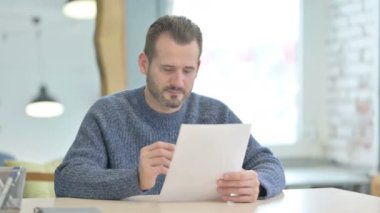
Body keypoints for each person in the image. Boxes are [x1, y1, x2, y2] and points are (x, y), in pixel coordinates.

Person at [54, 15, 285, 203]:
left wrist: (258, 183)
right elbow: (67, 180)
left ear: (198, 67)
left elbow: (271, 165)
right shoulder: (107, 114)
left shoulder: (216, 114)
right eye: (167, 69)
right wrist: (136, 178)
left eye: (187, 70)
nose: (178, 82)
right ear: (144, 64)